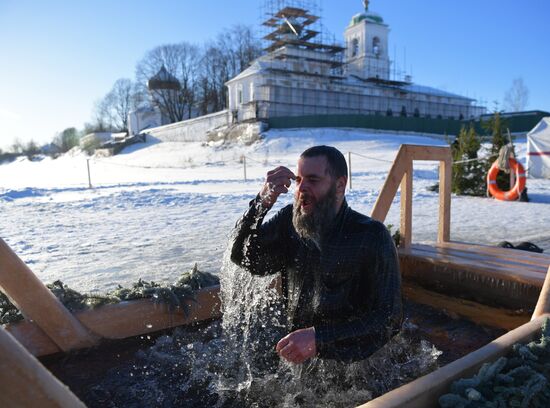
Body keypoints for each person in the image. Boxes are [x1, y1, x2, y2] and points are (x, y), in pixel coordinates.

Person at [230, 145, 402, 363]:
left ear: (340, 185)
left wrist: (319, 338)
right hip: (298, 360)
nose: (302, 188)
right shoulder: (290, 223)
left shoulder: (370, 235)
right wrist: (261, 203)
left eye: (313, 180)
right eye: (299, 180)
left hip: (353, 366)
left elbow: (389, 318)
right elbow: (243, 256)